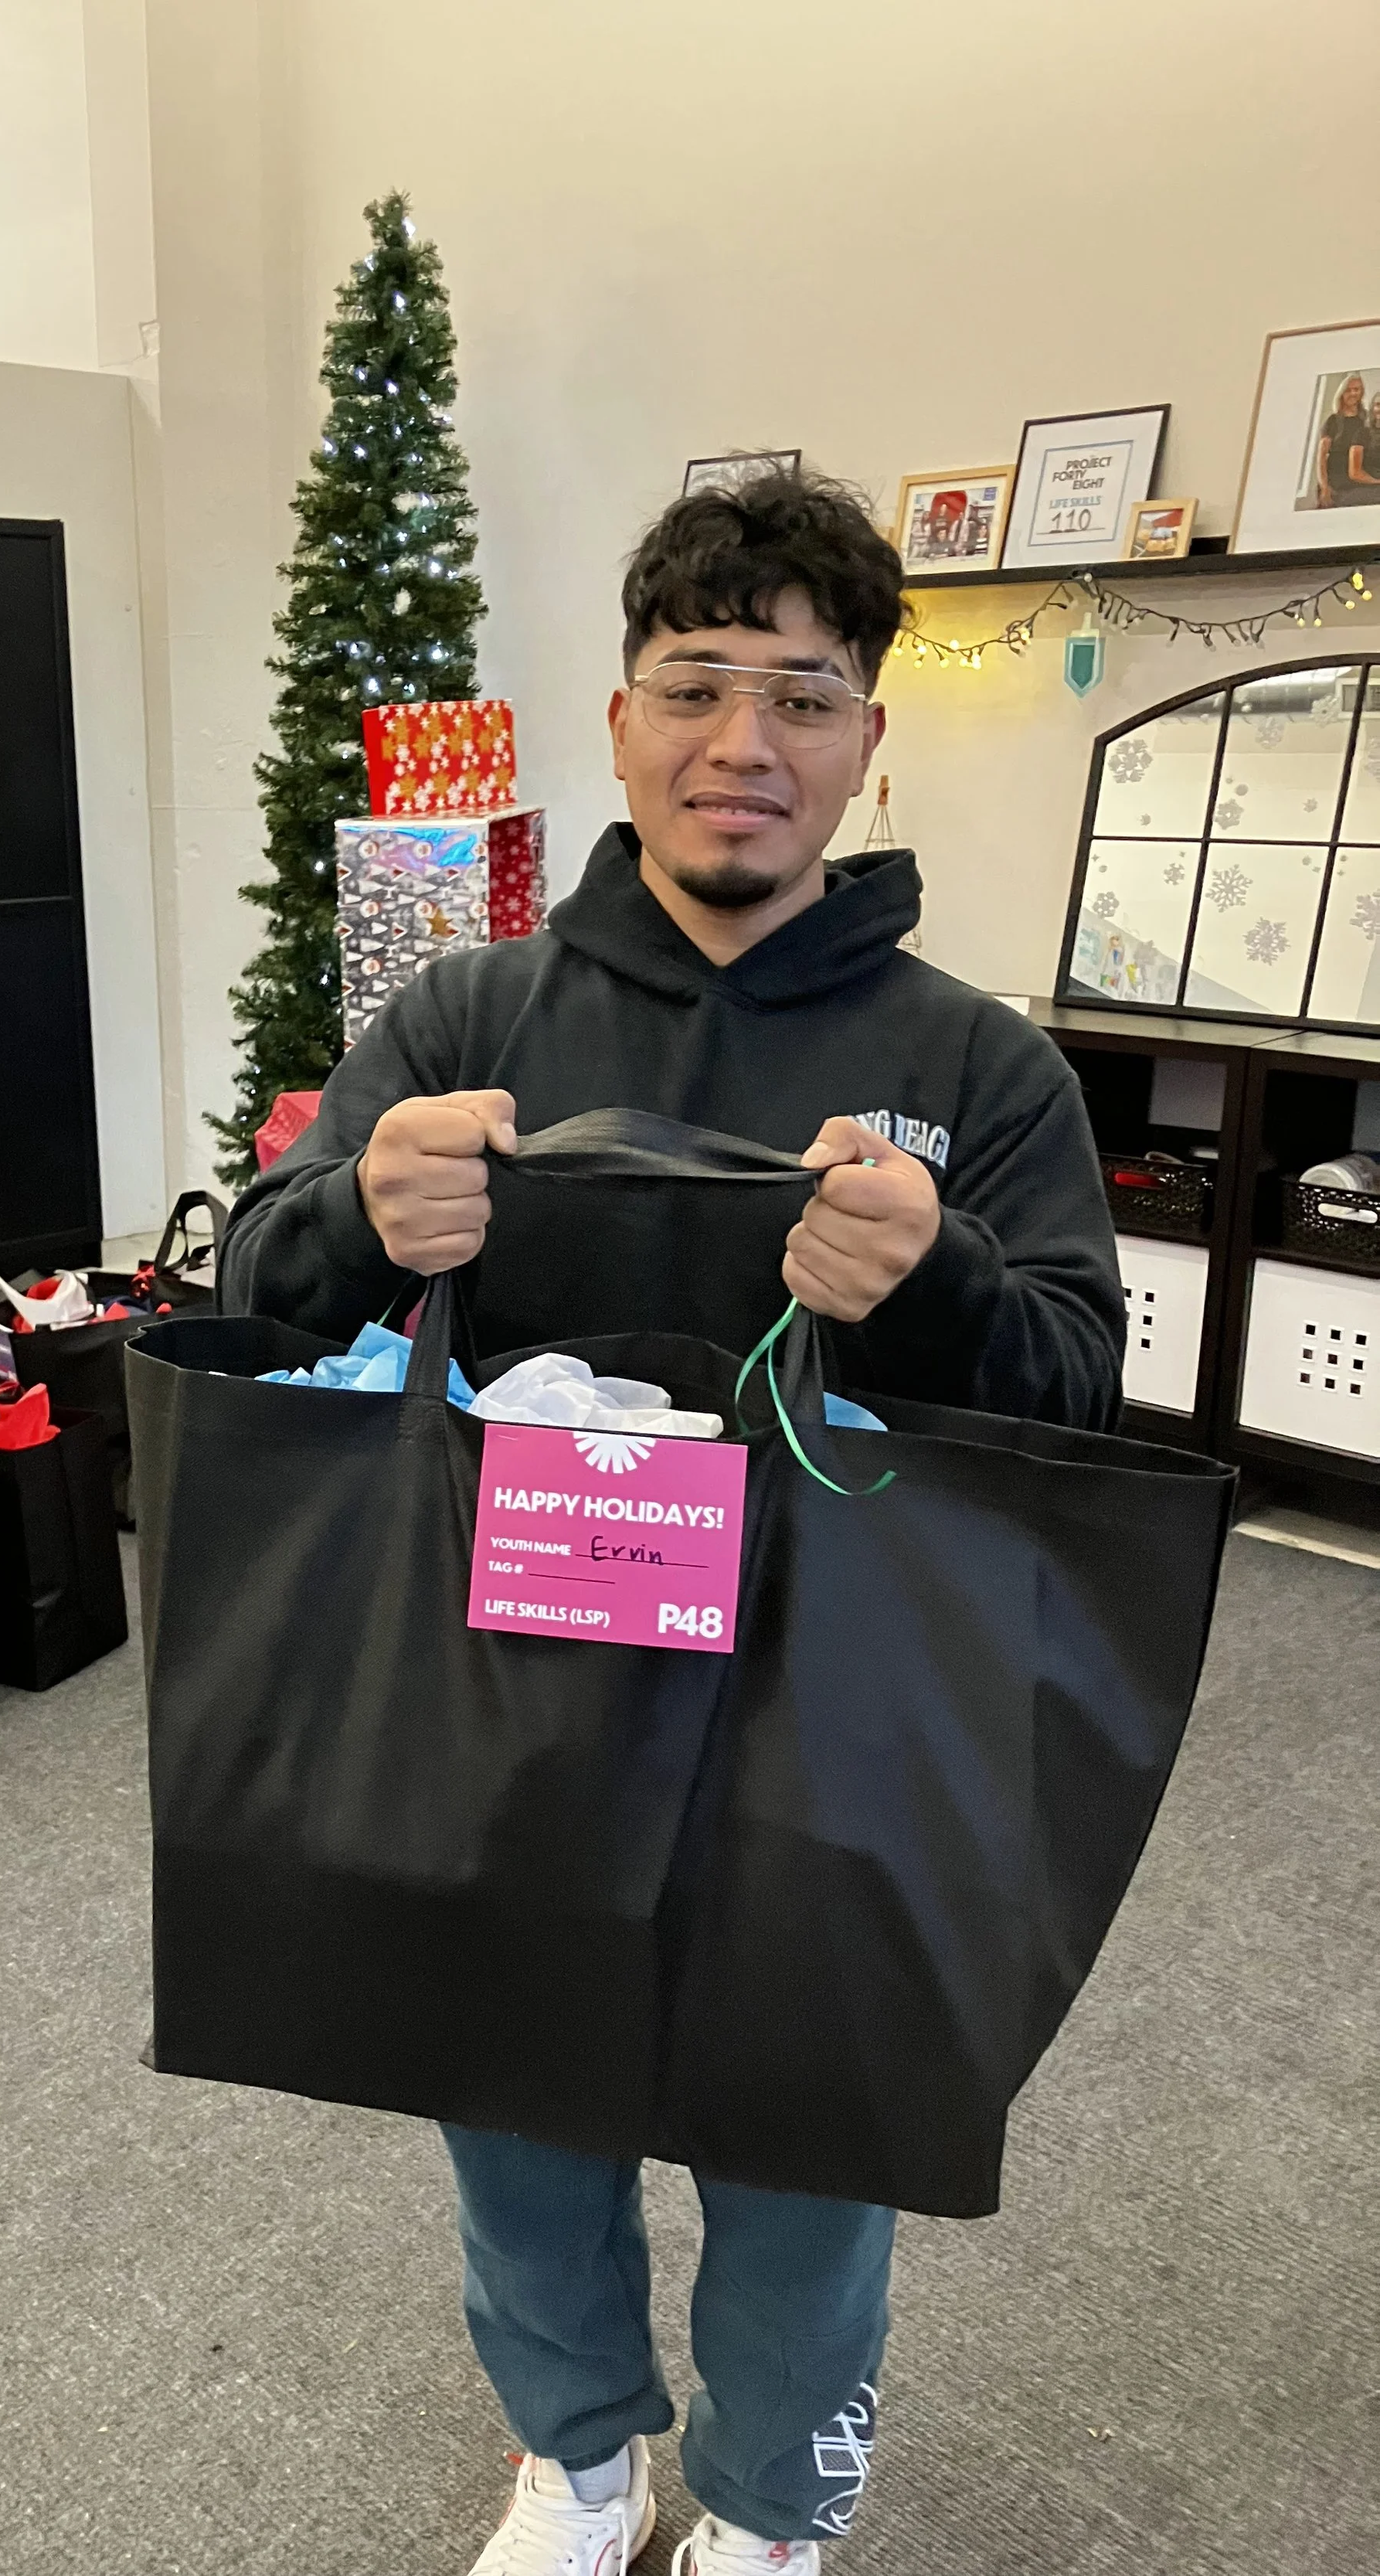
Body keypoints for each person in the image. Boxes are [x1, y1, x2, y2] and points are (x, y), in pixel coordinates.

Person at [220, 472, 1123, 2573]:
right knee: (515, 2092)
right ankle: (579, 2456)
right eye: (695, 685)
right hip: (505, 1678)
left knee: (812, 2126)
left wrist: (949, 1287)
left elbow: (1085, 1400)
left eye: (803, 694)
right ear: (615, 722)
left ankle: (764, 2503)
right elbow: (248, 1298)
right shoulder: (470, 1019)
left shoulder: (975, 1068)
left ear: (867, 737)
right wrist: (355, 1216)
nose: (746, 740)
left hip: (843, 1707)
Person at [1316, 373, 1368, 505]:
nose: (1353, 393)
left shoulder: (1367, 419)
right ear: (1342, 393)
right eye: (1348, 390)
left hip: (1362, 479)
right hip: (1337, 482)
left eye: (1356, 389)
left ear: (1361, 392)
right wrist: (1324, 487)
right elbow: (1321, 457)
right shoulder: (1333, 421)